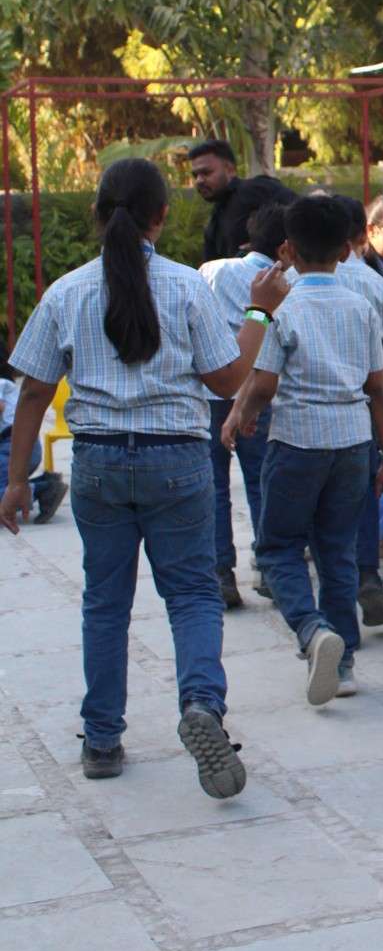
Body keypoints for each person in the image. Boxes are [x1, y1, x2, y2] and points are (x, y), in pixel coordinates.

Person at [0, 157, 289, 794]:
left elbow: (32, 393)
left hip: (98, 461)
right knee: (192, 595)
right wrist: (260, 312)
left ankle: (102, 738)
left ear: (98, 213)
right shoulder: (186, 286)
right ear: (161, 216)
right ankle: (201, 706)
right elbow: (228, 380)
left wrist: (17, 480)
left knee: (105, 603)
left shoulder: (67, 292)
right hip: (177, 461)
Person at [223, 196, 383, 704]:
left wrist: (239, 415)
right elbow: (378, 389)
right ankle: (342, 665)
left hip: (298, 441)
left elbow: (263, 383)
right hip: (354, 443)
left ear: (288, 250)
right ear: (347, 250)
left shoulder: (284, 307)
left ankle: (311, 629)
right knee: (337, 551)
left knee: (277, 547)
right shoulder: (361, 306)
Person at [199, 203, 289, 608]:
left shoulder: (213, 269)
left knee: (214, 485)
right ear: (286, 247)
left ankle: (221, 574)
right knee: (261, 482)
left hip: (211, 391)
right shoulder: (286, 283)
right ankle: (269, 569)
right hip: (255, 393)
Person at [333, 196, 383, 625]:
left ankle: (326, 603)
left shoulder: (286, 282)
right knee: (365, 489)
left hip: (302, 416)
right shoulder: (374, 284)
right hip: (364, 405)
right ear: (359, 234)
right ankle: (366, 574)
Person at [189, 138, 296, 261]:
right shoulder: (214, 222)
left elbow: (304, 214)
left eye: (206, 173)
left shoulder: (255, 189)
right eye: (195, 175)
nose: (199, 180)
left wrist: (264, 249)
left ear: (230, 169)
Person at [0, 341, 68, 524]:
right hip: (16, 446)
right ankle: (43, 484)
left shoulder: (1, 383)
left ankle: (43, 490)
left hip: (14, 446)